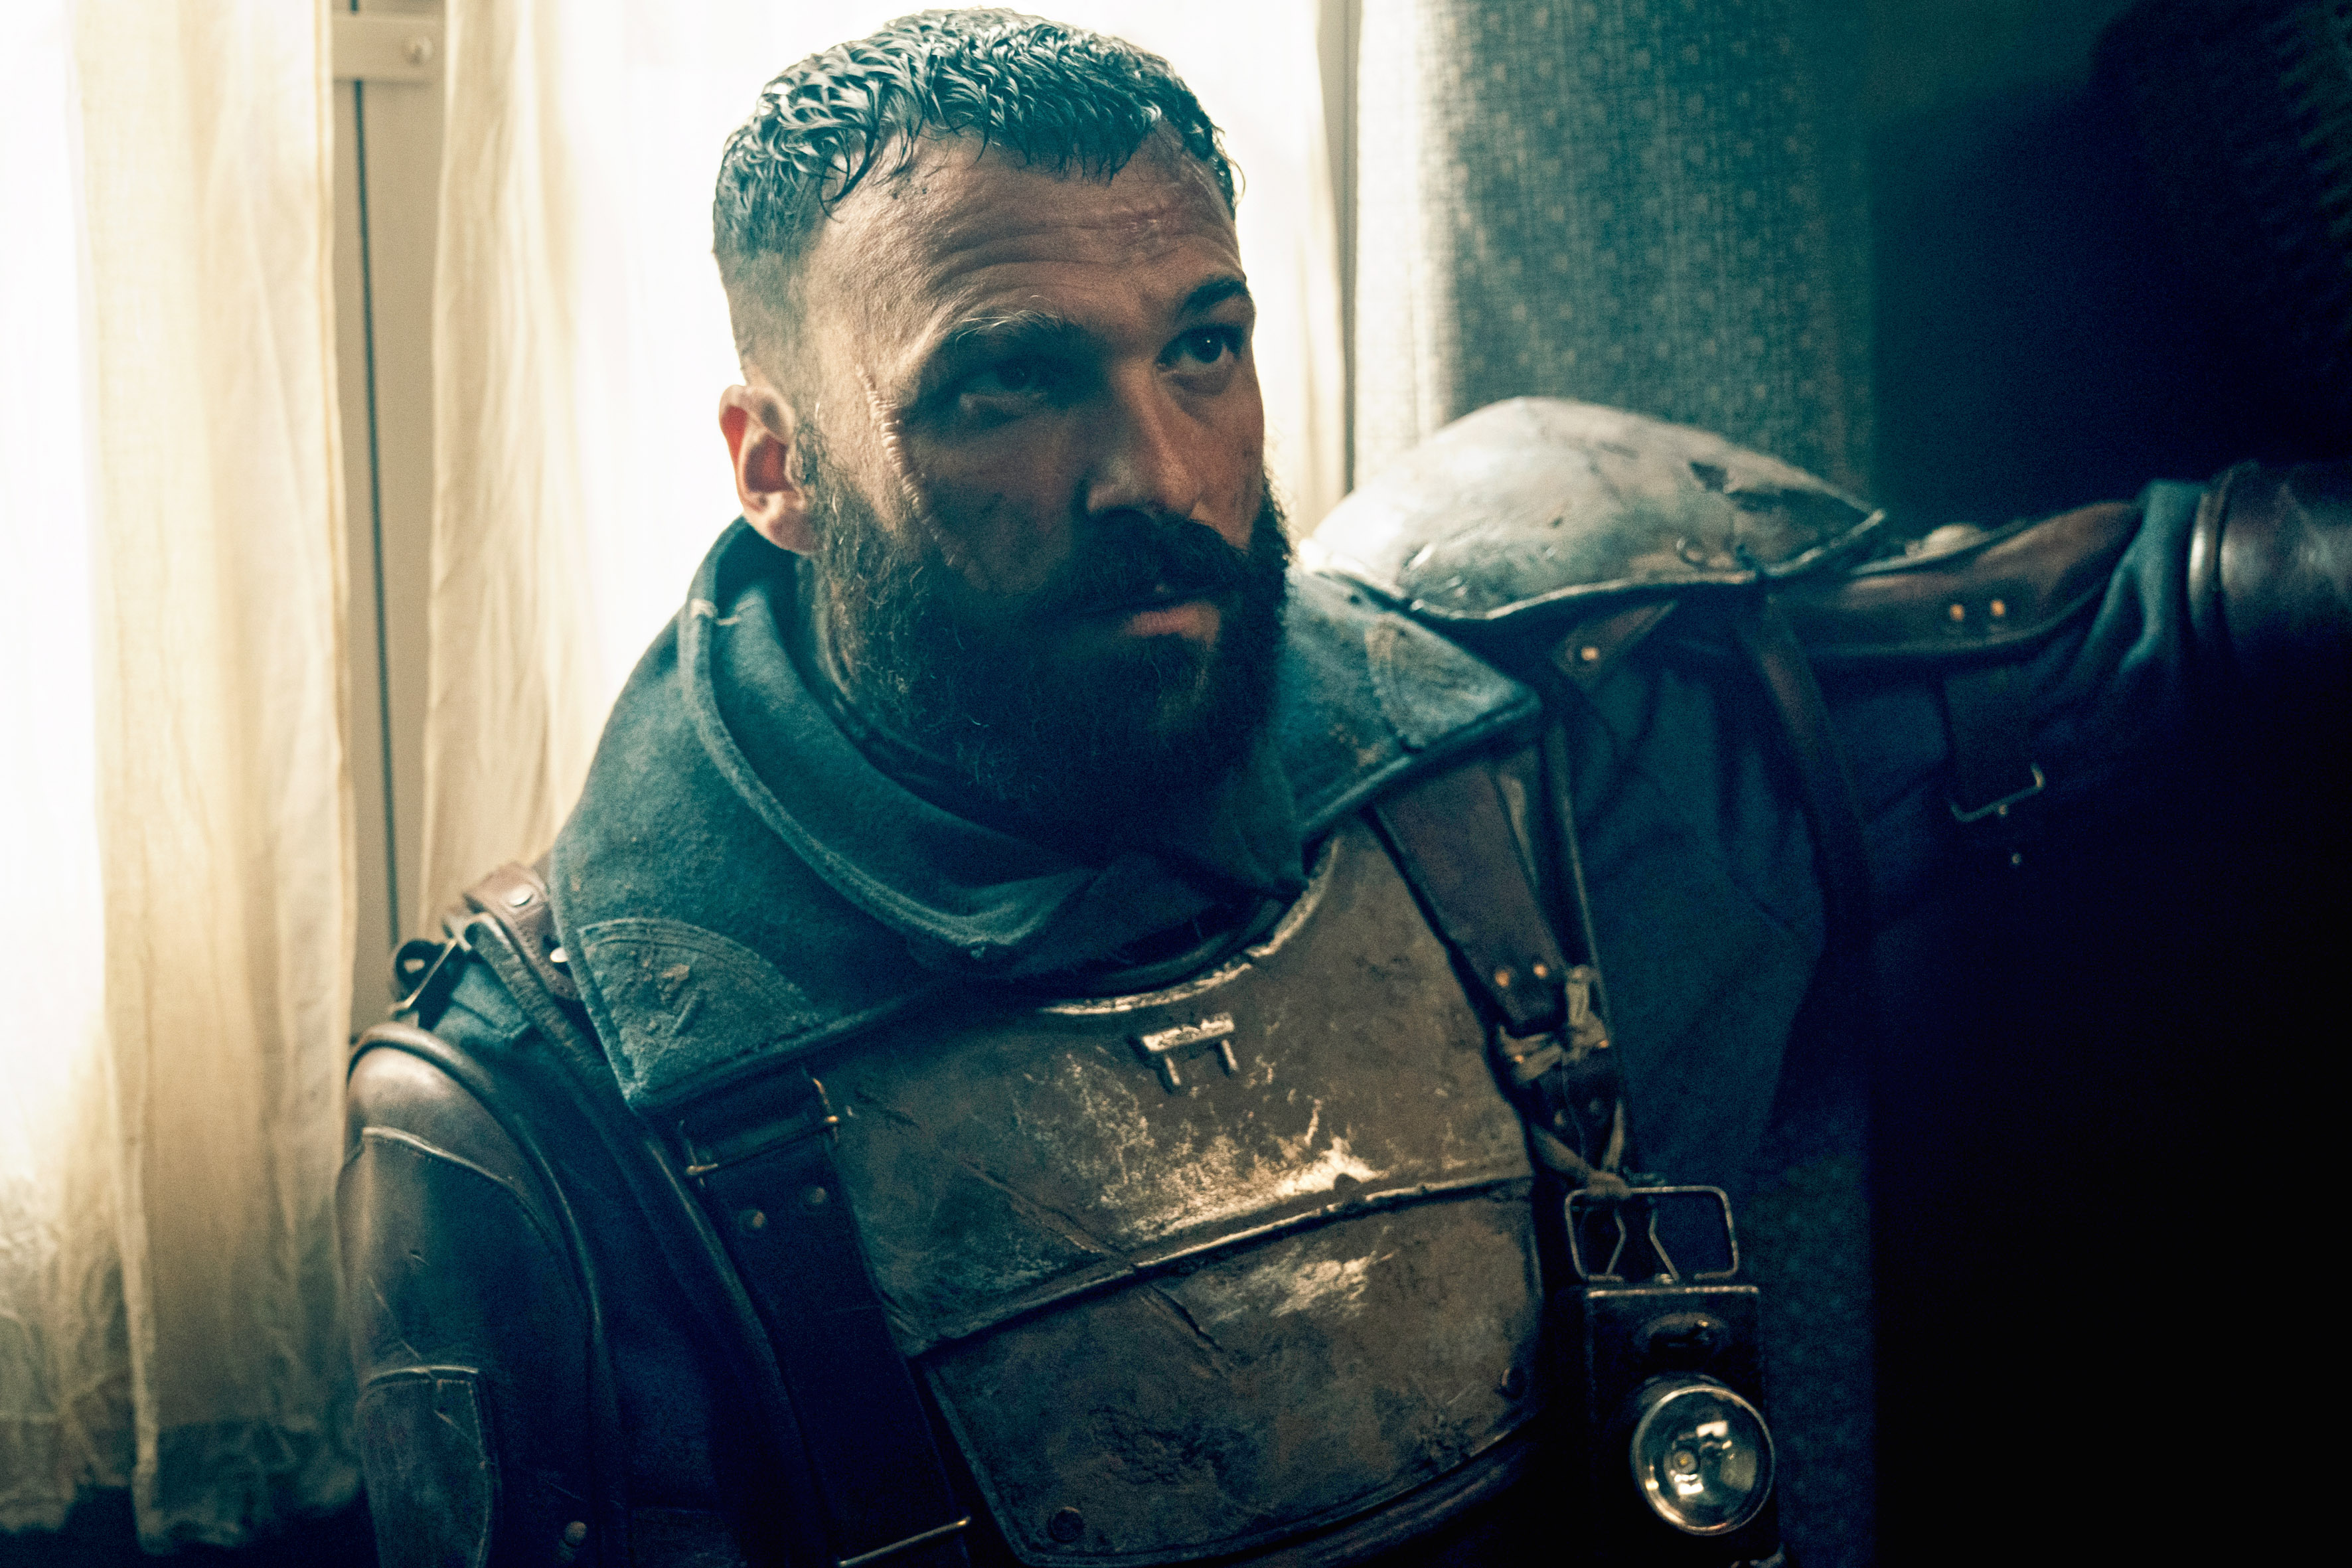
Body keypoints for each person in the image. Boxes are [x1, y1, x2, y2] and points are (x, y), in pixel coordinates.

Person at [337, 11, 2349, 1568]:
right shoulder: (535, 1113)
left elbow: (2094, 618)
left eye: (1201, 348)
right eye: (1008, 383)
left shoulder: (1504, 734)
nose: (1159, 477)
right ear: (775, 464)